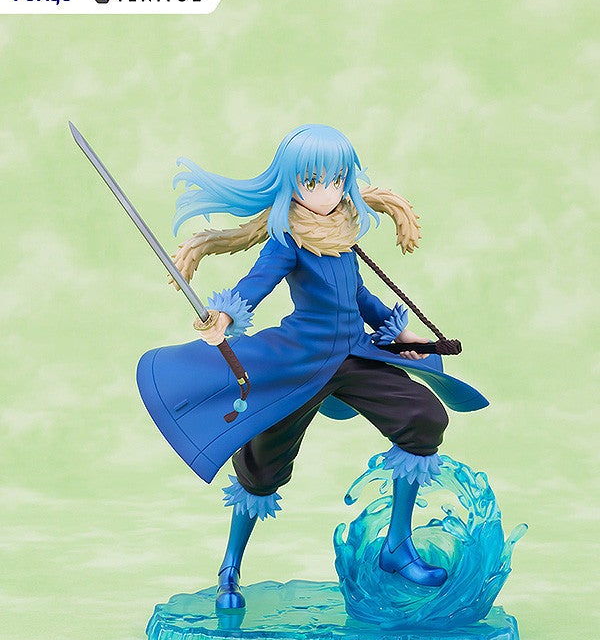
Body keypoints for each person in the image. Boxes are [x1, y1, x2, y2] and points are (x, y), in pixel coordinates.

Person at [136, 124, 488, 610]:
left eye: (337, 179)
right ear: (292, 182)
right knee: (261, 468)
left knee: (423, 418)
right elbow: (256, 283)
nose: (327, 192)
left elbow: (358, 296)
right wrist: (224, 317)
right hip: (300, 362)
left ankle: (397, 546)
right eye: (313, 181)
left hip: (354, 356)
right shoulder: (288, 239)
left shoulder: (343, 234)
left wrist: (398, 330)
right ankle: (230, 567)